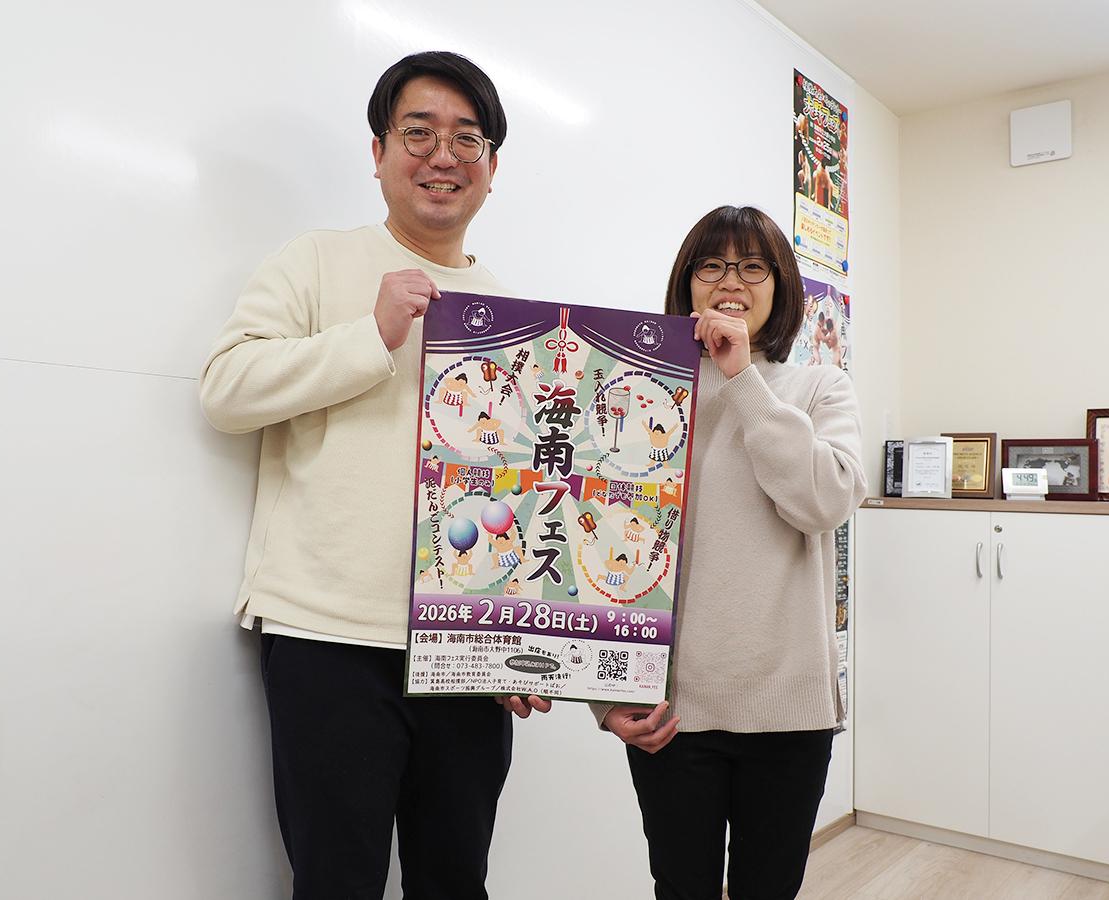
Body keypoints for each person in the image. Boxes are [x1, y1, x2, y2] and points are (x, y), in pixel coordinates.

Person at [199, 51, 549, 900]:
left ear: (492, 166)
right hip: (327, 634)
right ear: (379, 151)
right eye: (419, 133)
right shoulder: (317, 261)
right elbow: (227, 389)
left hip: (463, 650)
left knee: (455, 880)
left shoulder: (517, 314)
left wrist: (521, 643)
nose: (443, 156)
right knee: (335, 882)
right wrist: (373, 335)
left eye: (467, 139)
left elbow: (522, 496)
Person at [594, 206, 867, 900]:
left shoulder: (819, 388)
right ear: (686, 282)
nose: (730, 281)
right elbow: (601, 543)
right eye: (711, 265)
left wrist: (743, 379)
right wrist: (604, 695)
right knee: (679, 888)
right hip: (672, 713)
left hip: (790, 711)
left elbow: (824, 501)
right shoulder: (644, 395)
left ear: (781, 285)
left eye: (752, 266)